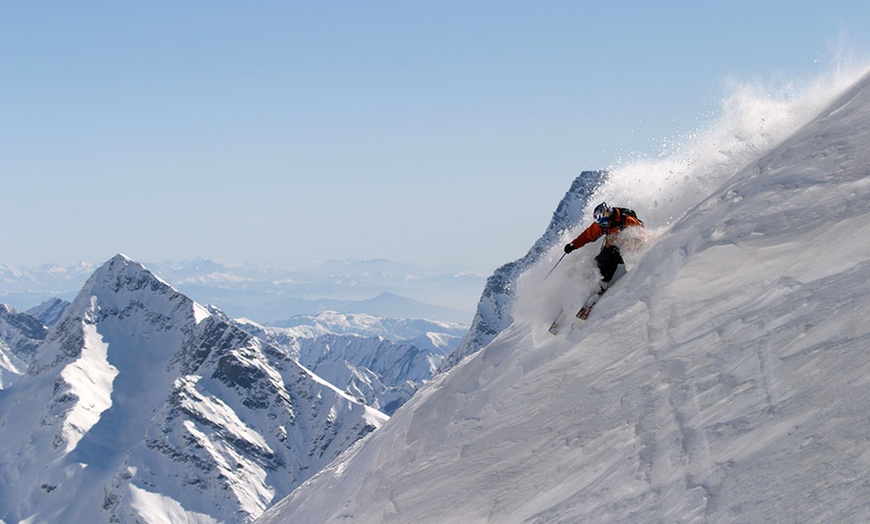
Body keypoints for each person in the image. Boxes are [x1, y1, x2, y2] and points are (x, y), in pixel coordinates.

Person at [564, 202, 644, 289]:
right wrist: (573, 245)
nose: (604, 227)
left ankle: (602, 283)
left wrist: (640, 247)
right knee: (597, 263)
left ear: (610, 216)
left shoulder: (626, 220)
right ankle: (583, 284)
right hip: (611, 248)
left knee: (612, 254)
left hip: (627, 251)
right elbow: (587, 236)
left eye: (605, 224)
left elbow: (641, 233)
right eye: (601, 225)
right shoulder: (602, 224)